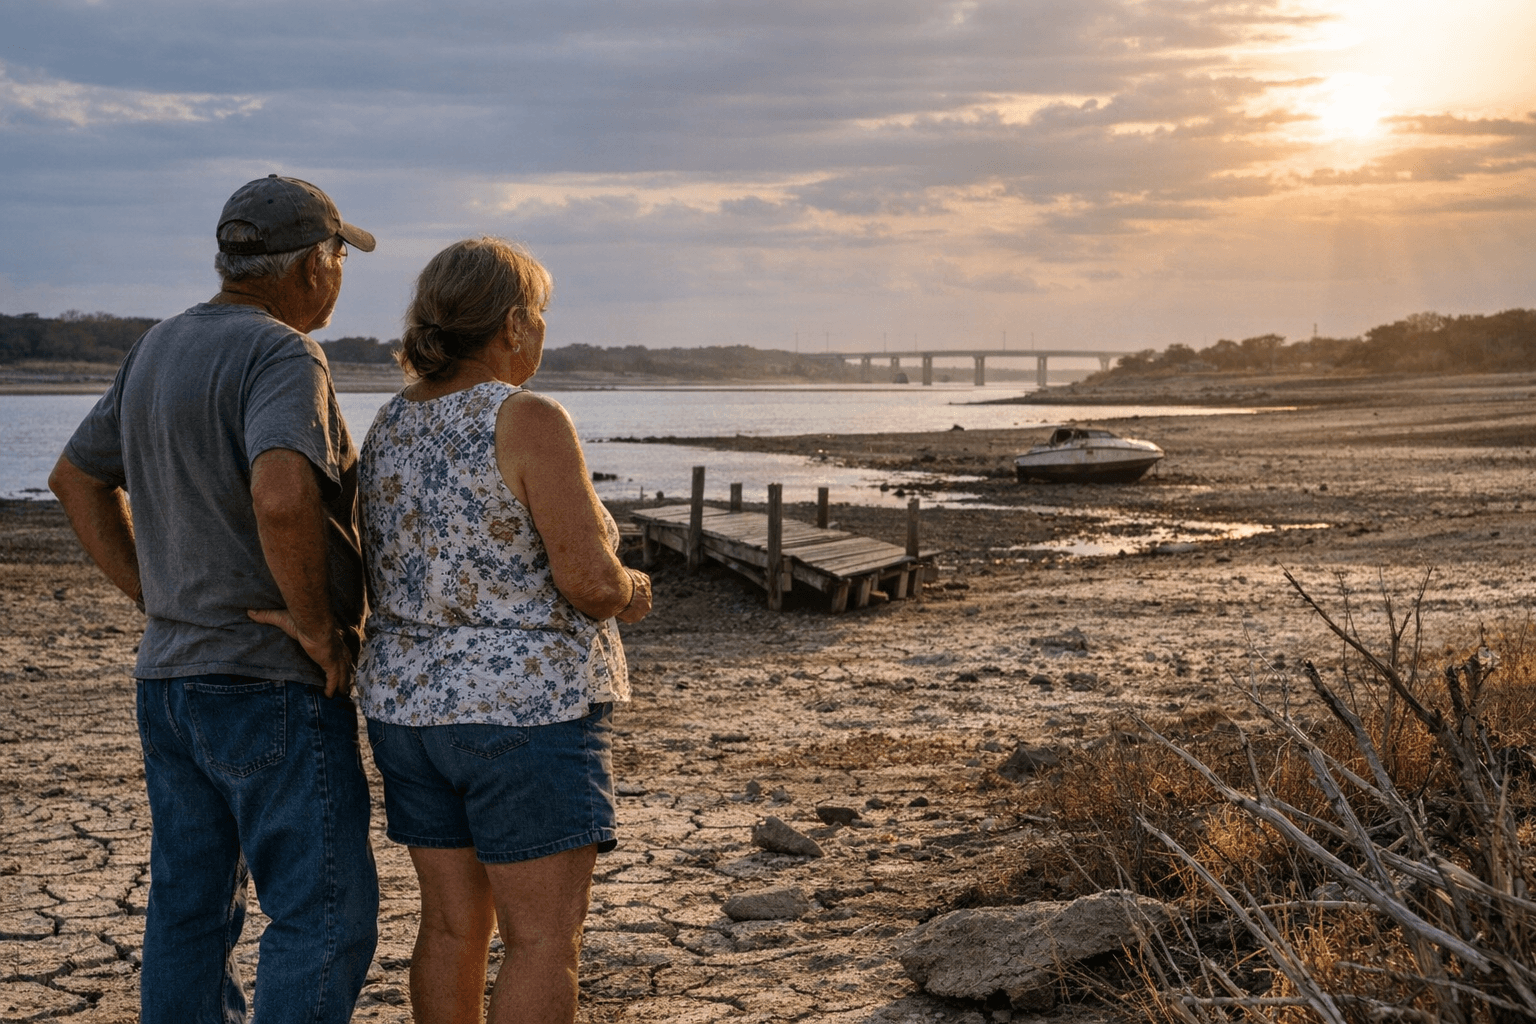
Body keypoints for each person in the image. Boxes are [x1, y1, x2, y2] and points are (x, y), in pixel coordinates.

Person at [49, 175, 380, 1024]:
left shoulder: (160, 344)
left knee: (190, 913)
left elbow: (76, 478)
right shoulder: (280, 351)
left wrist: (155, 597)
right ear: (311, 266)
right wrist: (318, 628)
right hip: (263, 680)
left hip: (169, 680)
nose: (343, 273)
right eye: (341, 254)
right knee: (323, 912)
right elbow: (281, 494)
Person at [353, 236, 651, 1024]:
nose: (544, 333)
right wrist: (631, 589)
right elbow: (587, 581)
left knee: (451, 928)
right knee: (541, 942)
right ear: (515, 324)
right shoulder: (527, 417)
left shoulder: (389, 423)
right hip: (524, 715)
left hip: (408, 713)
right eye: (542, 317)